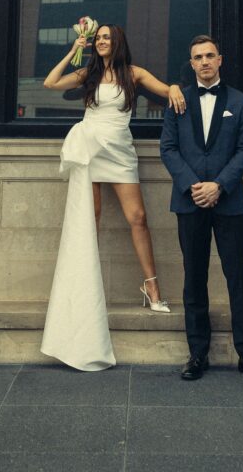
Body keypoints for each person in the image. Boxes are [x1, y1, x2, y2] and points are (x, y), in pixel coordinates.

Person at [41, 23, 185, 371]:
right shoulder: (87, 72)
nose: (102, 42)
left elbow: (167, 92)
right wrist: (74, 47)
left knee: (138, 218)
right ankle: (84, 295)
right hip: (90, 147)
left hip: (120, 152)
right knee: (90, 221)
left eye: (107, 38)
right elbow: (50, 83)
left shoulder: (133, 74)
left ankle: (151, 289)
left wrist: (178, 85)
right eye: (98, 38)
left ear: (117, 42)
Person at [160, 34, 243, 384]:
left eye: (210, 55)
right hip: (189, 202)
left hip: (229, 203)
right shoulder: (178, 101)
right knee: (193, 279)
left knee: (239, 278)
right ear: (191, 64)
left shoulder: (239, 102)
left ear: (220, 60)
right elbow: (168, 148)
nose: (204, 61)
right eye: (198, 57)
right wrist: (193, 185)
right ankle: (197, 354)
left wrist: (219, 185)